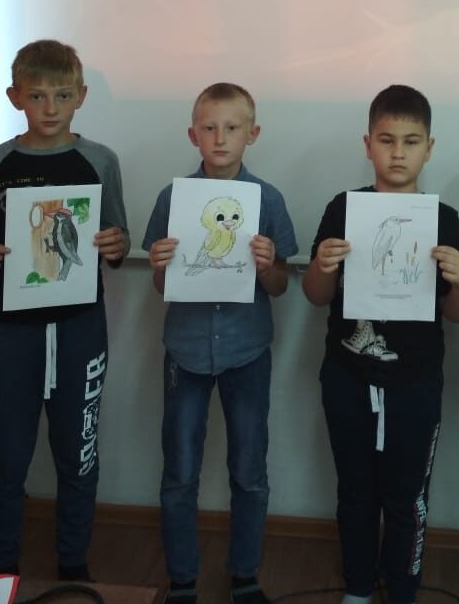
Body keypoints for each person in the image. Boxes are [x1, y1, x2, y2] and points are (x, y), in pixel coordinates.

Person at [303, 84, 459, 604]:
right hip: (348, 376)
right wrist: (322, 266)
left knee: (407, 496)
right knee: (355, 490)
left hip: (414, 382)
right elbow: (315, 296)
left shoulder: (444, 219)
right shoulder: (344, 209)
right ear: (368, 145)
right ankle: (358, 587)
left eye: (411, 141)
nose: (398, 152)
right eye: (386, 140)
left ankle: (402, 589)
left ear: (429, 148)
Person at [0, 39, 129, 580]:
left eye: (62, 96)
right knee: (5, 457)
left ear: (80, 96)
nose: (50, 108)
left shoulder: (100, 160)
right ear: (14, 97)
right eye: (37, 96)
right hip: (8, 333)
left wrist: (116, 244)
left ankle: (73, 565)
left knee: (78, 453)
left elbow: (117, 240)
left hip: (80, 329)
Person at [144, 82, 298, 604]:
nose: (220, 138)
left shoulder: (267, 200)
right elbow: (162, 285)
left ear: (252, 134)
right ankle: (182, 578)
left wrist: (267, 264)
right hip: (186, 350)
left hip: (246, 350)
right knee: (179, 470)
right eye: (208, 128)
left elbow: (280, 286)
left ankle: (245, 575)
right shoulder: (173, 198)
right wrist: (160, 265)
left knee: (249, 471)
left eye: (231, 128)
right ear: (193, 135)